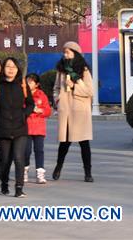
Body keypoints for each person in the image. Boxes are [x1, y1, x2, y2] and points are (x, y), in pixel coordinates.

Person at [52, 40, 94, 182]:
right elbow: (56, 88)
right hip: (66, 109)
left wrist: (74, 85)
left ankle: (88, 173)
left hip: (80, 110)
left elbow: (89, 90)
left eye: (68, 52)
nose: (65, 54)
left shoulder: (84, 70)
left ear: (75, 53)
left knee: (84, 143)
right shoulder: (61, 69)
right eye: (64, 52)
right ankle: (58, 167)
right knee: (64, 143)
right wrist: (58, 100)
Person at [0, 57, 34, 198]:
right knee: (5, 160)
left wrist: (24, 115)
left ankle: (19, 187)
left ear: (18, 69)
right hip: (3, 128)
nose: (11, 69)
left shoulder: (22, 84)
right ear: (3, 68)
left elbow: (30, 103)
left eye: (14, 67)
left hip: (20, 127)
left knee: (18, 157)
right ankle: (4, 182)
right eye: (8, 66)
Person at [24, 72, 52, 184]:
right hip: (26, 127)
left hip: (39, 128)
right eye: (27, 81)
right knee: (26, 151)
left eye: (31, 82)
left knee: (39, 150)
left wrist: (41, 111)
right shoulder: (23, 94)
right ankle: (24, 171)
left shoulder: (42, 95)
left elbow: (48, 111)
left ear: (37, 84)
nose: (28, 83)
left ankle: (40, 173)